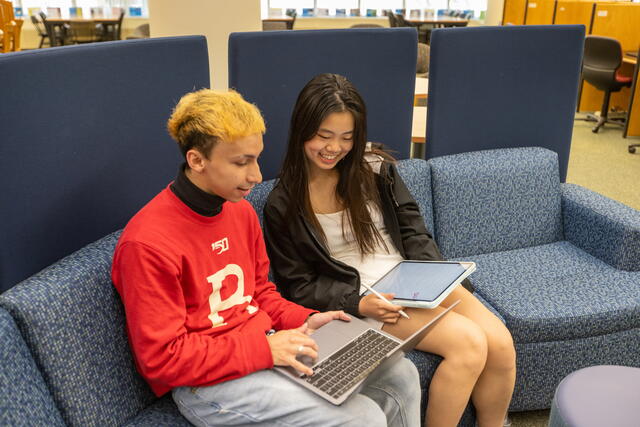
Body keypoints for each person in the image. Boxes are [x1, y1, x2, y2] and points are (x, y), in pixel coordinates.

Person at [111, 88, 422, 427]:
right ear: (197, 160)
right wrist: (264, 352)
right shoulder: (147, 243)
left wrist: (307, 319)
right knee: (363, 418)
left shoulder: (239, 212)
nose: (256, 176)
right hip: (207, 384)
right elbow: (162, 360)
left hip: (263, 346)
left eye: (256, 159)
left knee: (399, 372)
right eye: (241, 163)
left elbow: (260, 296)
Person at [263, 74, 517, 427]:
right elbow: (300, 286)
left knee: (501, 344)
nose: (333, 148)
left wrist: (433, 278)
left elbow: (414, 231)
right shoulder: (284, 202)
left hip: (412, 277)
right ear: (302, 129)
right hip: (367, 297)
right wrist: (357, 302)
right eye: (323, 136)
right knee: (469, 344)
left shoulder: (375, 169)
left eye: (346, 138)